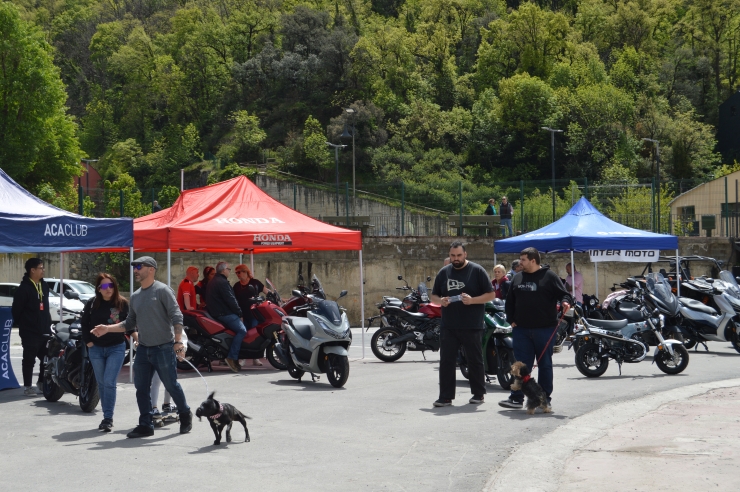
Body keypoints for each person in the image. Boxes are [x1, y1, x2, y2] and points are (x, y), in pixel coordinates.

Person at [91, 256, 192, 438]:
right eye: (134, 267)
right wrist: (107, 329)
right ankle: (146, 424)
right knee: (141, 388)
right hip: (144, 349)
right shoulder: (136, 296)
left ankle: (185, 414)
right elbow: (129, 323)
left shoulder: (162, 291)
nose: (135, 270)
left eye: (139, 266)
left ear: (151, 269)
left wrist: (178, 342)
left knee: (171, 384)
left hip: (163, 347)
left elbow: (177, 316)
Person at [499, 247, 572, 410]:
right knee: (521, 366)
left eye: (523, 260)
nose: (520, 263)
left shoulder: (550, 277)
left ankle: (544, 399)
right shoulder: (517, 278)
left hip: (545, 330)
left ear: (533, 261)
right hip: (521, 330)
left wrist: (566, 302)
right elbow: (509, 302)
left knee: (544, 364)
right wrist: (511, 319)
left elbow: (565, 295)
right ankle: (516, 398)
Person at [431, 241, 496, 407]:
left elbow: (491, 295)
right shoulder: (444, 272)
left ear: (465, 254)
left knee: (474, 359)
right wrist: (442, 301)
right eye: (453, 255)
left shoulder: (477, 271)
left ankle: (478, 394)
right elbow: (434, 296)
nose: (456, 258)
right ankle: (445, 397)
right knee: (446, 361)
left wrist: (473, 300)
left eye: (459, 255)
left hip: (472, 324)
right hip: (449, 325)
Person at [81, 273, 129, 432]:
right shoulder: (92, 303)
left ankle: (108, 418)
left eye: (111, 285)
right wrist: (88, 341)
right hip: (96, 348)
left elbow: (130, 324)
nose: (108, 289)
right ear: (99, 289)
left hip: (116, 347)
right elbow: (84, 323)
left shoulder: (122, 303)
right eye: (104, 286)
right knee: (101, 383)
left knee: (109, 382)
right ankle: (106, 416)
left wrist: (136, 337)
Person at [11, 258, 52, 396]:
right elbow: (16, 310)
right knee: (29, 359)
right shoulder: (24, 289)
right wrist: (24, 325)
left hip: (45, 330)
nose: (43, 270)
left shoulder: (44, 285)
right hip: (30, 332)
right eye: (41, 268)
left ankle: (41, 383)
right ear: (32, 270)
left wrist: (48, 324)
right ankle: (28, 387)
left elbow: (45, 307)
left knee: (47, 357)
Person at [207, 261, 246, 373]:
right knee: (242, 330)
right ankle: (232, 357)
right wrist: (239, 313)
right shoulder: (222, 282)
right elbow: (230, 300)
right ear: (223, 270)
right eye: (228, 269)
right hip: (224, 313)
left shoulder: (213, 281)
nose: (229, 271)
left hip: (216, 313)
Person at [233, 264, 268, 366]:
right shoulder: (236, 286)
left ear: (245, 272)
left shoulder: (255, 283)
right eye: (236, 273)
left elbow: (266, 291)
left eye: (239, 272)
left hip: (254, 314)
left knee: (255, 337)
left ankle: (255, 358)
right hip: (242, 315)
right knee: (244, 336)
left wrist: (275, 296)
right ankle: (243, 358)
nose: (238, 275)